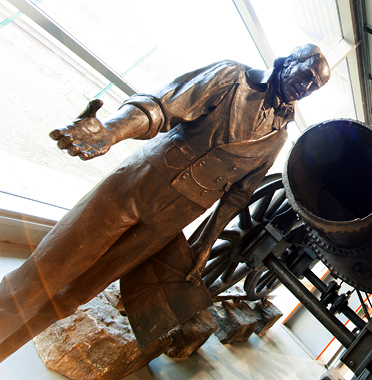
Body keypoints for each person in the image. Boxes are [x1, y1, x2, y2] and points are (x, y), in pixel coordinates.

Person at [0, 44, 331, 361]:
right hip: (139, 183)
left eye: (313, 87)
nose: (305, 88)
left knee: (72, 297)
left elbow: (240, 193)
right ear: (286, 62)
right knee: (41, 275)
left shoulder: (279, 134)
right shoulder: (233, 77)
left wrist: (204, 246)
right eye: (305, 76)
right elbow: (162, 106)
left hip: (172, 219)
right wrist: (111, 132)